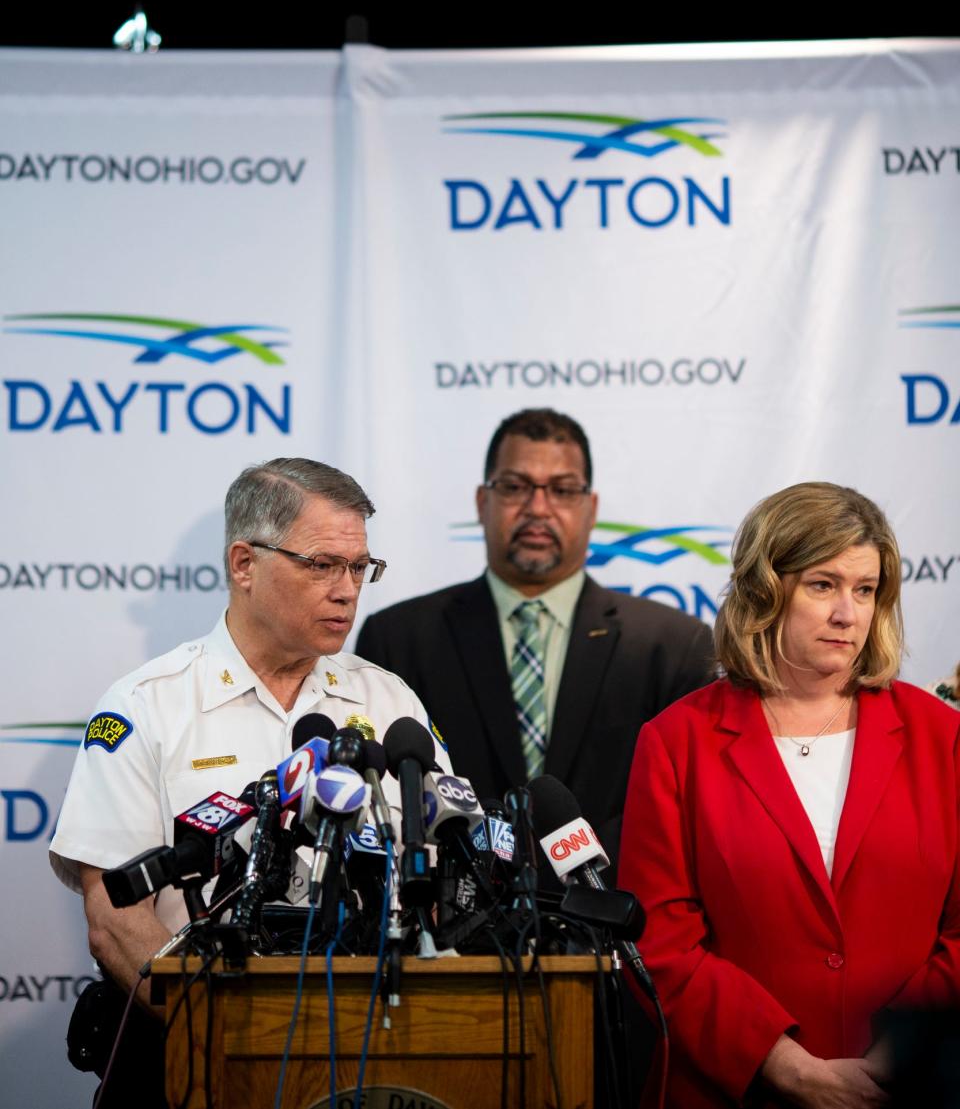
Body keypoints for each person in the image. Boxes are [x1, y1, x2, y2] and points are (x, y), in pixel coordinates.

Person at [51, 457, 449, 1009]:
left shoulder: (390, 702)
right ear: (244, 563)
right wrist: (224, 1033)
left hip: (375, 1041)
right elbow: (114, 919)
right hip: (206, 1050)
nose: (347, 590)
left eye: (360, 567)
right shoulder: (147, 706)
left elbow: (447, 878)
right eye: (323, 565)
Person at [618, 482, 960, 1109]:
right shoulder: (676, 742)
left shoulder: (943, 738)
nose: (848, 613)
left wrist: (899, 1053)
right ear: (764, 591)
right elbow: (659, 941)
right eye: (823, 585)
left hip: (914, 1087)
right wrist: (788, 1067)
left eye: (866, 590)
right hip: (734, 1089)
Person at [357, 407, 715, 872]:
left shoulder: (672, 645)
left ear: (592, 508)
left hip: (618, 916)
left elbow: (685, 807)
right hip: (451, 924)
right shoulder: (399, 638)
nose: (538, 508)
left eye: (563, 490)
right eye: (514, 487)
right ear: (482, 502)